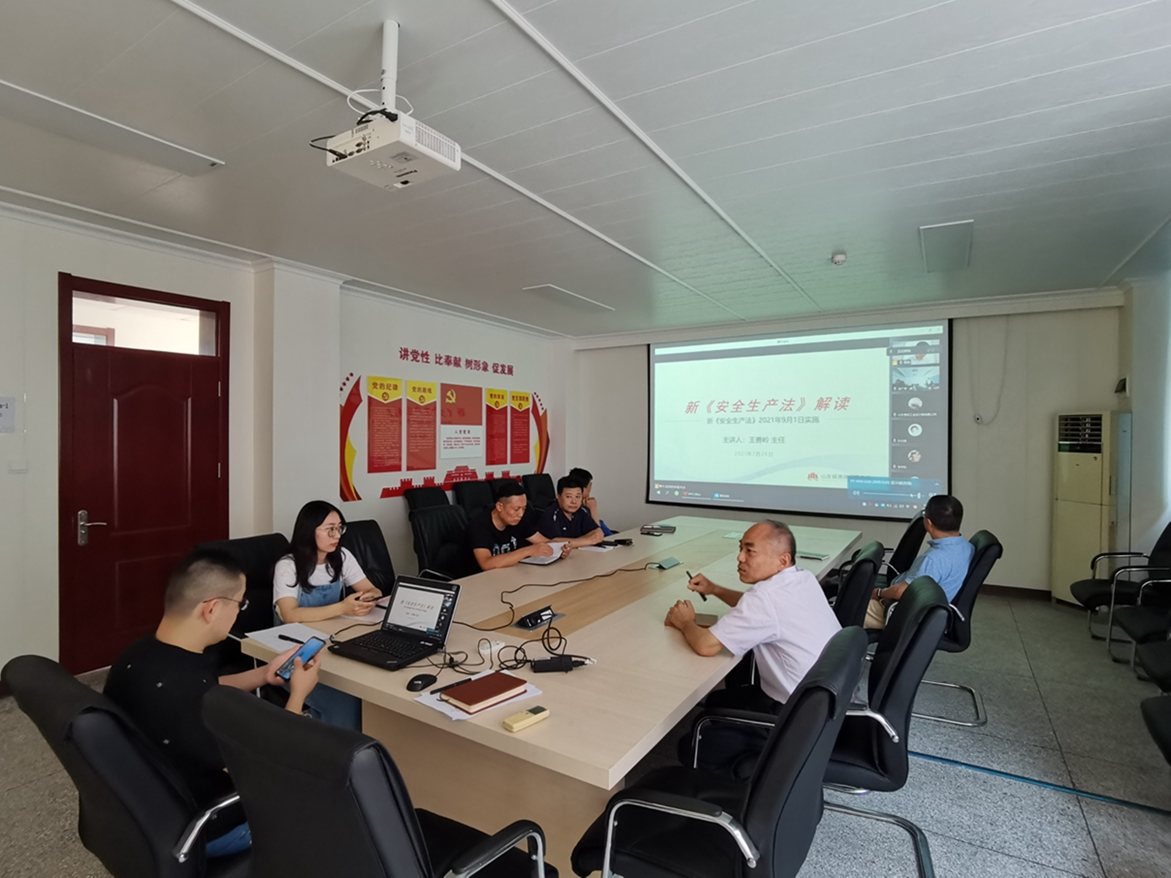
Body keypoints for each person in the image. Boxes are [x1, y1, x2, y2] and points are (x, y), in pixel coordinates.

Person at [105, 549, 320, 858]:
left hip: (144, 808)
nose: (239, 612)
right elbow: (273, 775)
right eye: (240, 603)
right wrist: (298, 694)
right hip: (206, 826)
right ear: (212, 609)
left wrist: (262, 675)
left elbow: (206, 686)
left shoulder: (140, 655)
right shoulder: (188, 702)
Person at [665, 520, 840, 712]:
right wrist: (714, 589)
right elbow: (761, 610)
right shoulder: (803, 577)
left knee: (715, 703)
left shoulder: (764, 598)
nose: (740, 557)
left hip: (796, 709)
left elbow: (706, 646)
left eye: (750, 551)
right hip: (830, 692)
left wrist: (685, 622)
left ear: (782, 560)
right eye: (740, 548)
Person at [273, 500, 382, 728]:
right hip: (295, 654)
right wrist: (342, 608)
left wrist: (367, 600)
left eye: (340, 528)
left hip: (332, 641)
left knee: (369, 686)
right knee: (345, 701)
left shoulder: (341, 556)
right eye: (329, 529)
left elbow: (373, 590)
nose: (337, 535)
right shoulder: (288, 565)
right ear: (309, 531)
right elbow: (290, 614)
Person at [865, 494, 973, 630]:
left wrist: (879, 593)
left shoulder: (933, 559)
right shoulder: (967, 547)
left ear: (928, 522)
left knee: (850, 608)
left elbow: (900, 592)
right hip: (931, 612)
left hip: (905, 614)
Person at [468, 480, 572, 570]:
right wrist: (528, 551)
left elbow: (543, 541)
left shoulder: (518, 520)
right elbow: (486, 564)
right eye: (516, 509)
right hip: (477, 580)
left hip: (509, 573)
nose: (521, 514)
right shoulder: (479, 525)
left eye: (524, 508)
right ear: (499, 507)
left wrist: (560, 549)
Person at [538, 476, 605, 546]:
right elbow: (553, 542)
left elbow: (597, 533)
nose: (574, 501)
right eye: (569, 496)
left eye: (577, 497)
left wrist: (578, 542)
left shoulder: (581, 511)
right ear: (558, 496)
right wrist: (588, 541)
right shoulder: (550, 514)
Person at [568, 467, 614, 536]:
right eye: (589, 485)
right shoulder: (576, 509)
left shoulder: (585, 504)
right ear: (582, 489)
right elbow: (596, 533)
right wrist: (593, 509)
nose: (590, 489)